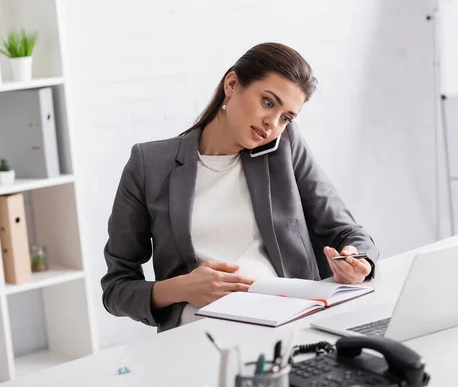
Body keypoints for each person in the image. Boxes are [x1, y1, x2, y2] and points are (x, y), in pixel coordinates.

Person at [101, 42, 379, 332]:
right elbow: (116, 288)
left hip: (289, 326)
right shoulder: (150, 165)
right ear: (232, 84)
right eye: (268, 103)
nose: (272, 123)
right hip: (200, 334)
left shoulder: (283, 148)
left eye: (286, 117)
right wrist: (180, 289)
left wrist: (358, 261)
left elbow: (347, 232)